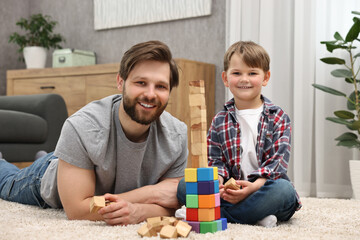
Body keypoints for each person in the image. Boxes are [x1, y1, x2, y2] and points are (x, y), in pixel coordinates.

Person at [0, 40, 188, 226]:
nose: (150, 94)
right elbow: (78, 210)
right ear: (120, 82)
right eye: (141, 82)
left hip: (84, 172)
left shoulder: (177, 135)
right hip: (47, 179)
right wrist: (152, 193)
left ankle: (62, 157)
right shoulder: (84, 126)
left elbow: (174, 205)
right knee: (6, 184)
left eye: (161, 86)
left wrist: (138, 211)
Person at [177, 41, 301, 227]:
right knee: (184, 186)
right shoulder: (219, 120)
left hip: (263, 189)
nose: (244, 79)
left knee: (284, 191)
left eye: (252, 73)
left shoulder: (279, 118)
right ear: (226, 78)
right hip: (229, 192)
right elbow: (216, 161)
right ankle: (255, 217)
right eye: (236, 73)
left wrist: (252, 188)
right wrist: (216, 183)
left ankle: (218, 213)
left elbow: (277, 165)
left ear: (265, 77)